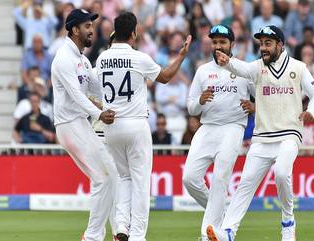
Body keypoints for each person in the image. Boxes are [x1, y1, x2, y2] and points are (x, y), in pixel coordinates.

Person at [206, 25, 314, 241]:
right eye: (261, 44)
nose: (263, 48)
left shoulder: (298, 67)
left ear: (280, 44)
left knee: (281, 173)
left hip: (289, 134)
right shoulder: (257, 67)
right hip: (262, 138)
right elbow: (240, 68)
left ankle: (288, 222)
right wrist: (226, 61)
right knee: (245, 184)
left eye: (268, 44)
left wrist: (311, 112)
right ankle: (228, 231)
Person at [96, 11, 191, 241]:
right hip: (135, 124)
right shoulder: (139, 57)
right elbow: (166, 77)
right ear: (133, 33)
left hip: (111, 126)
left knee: (124, 179)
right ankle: (138, 235)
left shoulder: (101, 58)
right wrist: (181, 57)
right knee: (140, 182)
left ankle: (121, 227)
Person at [182, 24, 255, 241]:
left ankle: (207, 235)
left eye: (222, 42)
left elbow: (262, 97)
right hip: (208, 127)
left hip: (233, 127)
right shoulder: (203, 71)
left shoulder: (243, 69)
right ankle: (221, 216)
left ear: (232, 44)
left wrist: (255, 107)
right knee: (190, 177)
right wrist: (200, 101)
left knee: (220, 178)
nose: (218, 46)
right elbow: (191, 108)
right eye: (214, 42)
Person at [51, 9, 118, 241]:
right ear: (74, 29)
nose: (92, 29)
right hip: (69, 124)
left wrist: (123, 103)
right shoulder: (63, 58)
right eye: (87, 26)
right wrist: (101, 112)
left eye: (92, 25)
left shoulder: (81, 58)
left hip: (80, 122)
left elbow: (96, 89)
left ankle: (107, 233)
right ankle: (92, 237)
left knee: (110, 177)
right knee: (103, 178)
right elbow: (78, 96)